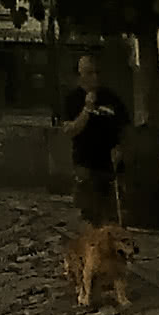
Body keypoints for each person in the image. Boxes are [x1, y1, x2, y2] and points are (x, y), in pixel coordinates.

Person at [61, 52, 130, 226]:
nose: (95, 77)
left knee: (111, 218)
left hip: (110, 165)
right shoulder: (72, 99)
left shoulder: (111, 98)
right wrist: (87, 109)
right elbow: (70, 130)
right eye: (90, 73)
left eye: (97, 72)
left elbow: (125, 127)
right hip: (85, 164)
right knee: (90, 216)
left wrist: (121, 148)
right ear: (80, 76)